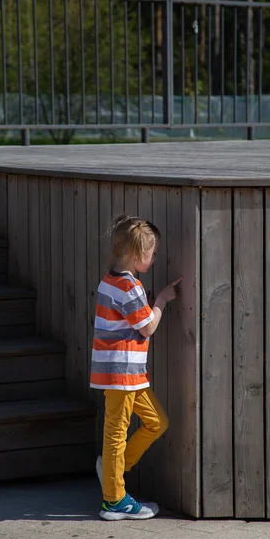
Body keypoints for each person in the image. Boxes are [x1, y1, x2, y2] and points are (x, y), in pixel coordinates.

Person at [90, 214, 182, 521]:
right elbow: (146, 327)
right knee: (116, 432)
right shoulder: (130, 288)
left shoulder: (109, 280)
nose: (154, 258)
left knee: (157, 423)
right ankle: (114, 499)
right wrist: (163, 301)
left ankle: (112, 472)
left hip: (129, 374)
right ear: (133, 253)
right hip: (121, 373)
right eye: (151, 253)